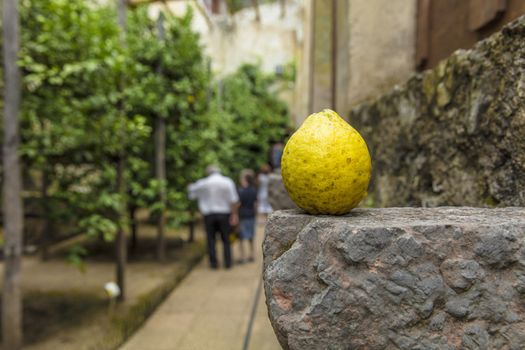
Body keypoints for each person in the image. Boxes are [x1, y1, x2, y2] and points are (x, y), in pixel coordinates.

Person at [188, 165, 239, 269]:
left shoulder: (204, 183)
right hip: (224, 214)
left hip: (209, 215)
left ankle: (213, 263)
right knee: (225, 239)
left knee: (211, 239)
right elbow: (234, 200)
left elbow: (191, 192)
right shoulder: (227, 182)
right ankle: (228, 262)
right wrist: (234, 215)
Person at [237, 169, 258, 263]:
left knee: (241, 237)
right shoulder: (253, 190)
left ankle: (242, 256)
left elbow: (238, 204)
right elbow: (255, 204)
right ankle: (252, 254)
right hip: (251, 215)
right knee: (251, 236)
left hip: (242, 216)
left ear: (245, 179)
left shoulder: (241, 191)